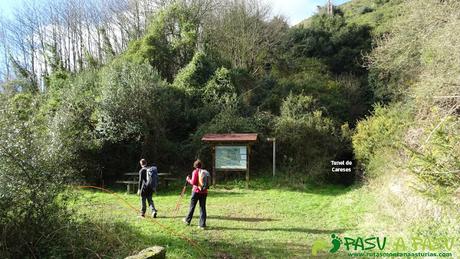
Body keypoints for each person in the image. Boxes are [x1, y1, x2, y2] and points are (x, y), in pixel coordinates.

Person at [183, 159, 207, 229]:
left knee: (192, 206)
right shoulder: (204, 172)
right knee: (202, 208)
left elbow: (193, 182)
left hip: (196, 192)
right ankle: (202, 225)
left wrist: (188, 179)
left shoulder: (195, 171)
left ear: (195, 165)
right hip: (204, 192)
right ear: (201, 165)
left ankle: (187, 220)